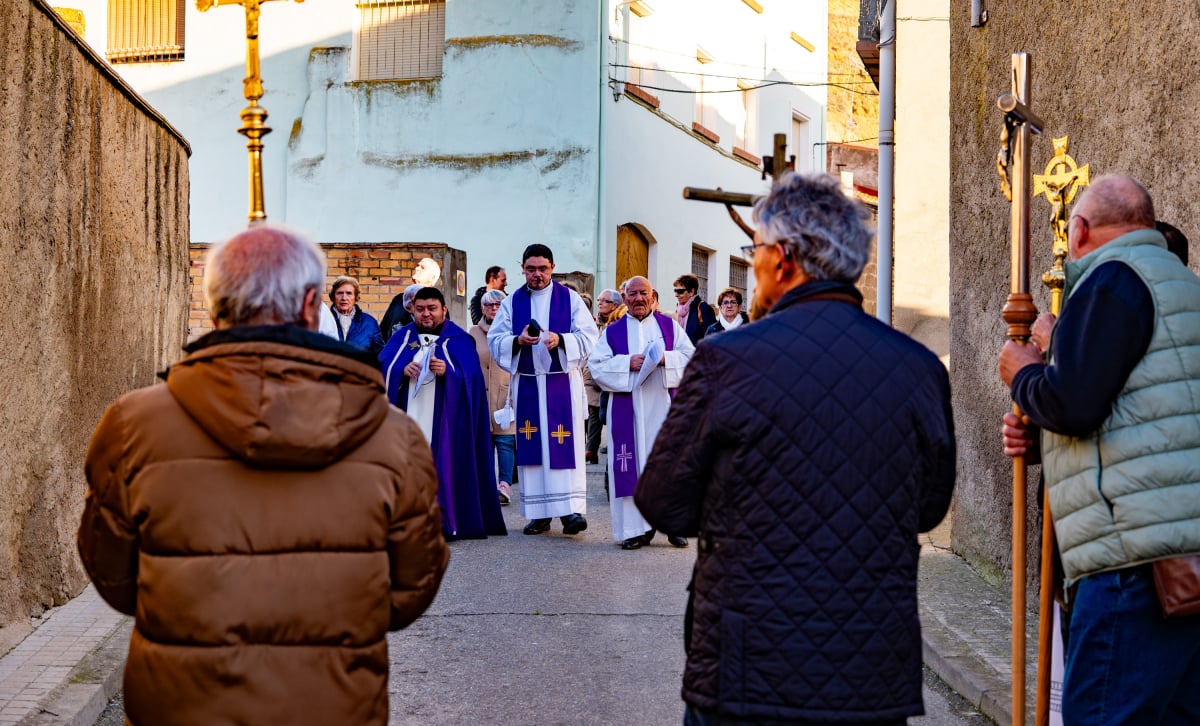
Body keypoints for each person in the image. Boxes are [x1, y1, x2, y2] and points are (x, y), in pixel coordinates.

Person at [77, 225, 449, 725]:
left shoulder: (133, 425)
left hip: (183, 704)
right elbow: (412, 587)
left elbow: (115, 578)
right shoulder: (393, 436)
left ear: (214, 308)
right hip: (331, 703)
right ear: (312, 306)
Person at [635, 172, 955, 724]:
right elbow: (927, 506)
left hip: (748, 662)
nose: (752, 264)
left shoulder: (725, 360)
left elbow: (664, 501)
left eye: (754, 250)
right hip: (869, 668)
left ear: (782, 259)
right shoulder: (918, 368)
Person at [999, 175, 1200, 725]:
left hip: (1131, 565)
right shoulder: (1183, 287)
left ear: (1080, 230)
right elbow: (1153, 412)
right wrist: (1039, 435)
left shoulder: (1113, 280)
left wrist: (1026, 376)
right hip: (1183, 562)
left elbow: (1077, 404)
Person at [486, 244, 599, 536]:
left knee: (565, 447)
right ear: (522, 268)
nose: (536, 274)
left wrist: (560, 340)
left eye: (542, 269)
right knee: (532, 448)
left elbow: (589, 337)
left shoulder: (570, 299)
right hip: (527, 384)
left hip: (561, 381)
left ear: (552, 268)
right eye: (531, 269)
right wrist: (517, 340)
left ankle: (571, 512)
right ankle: (539, 513)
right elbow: (496, 338)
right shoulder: (512, 302)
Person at [380, 287, 507, 541]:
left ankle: (442, 520)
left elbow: (471, 378)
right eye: (420, 309)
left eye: (431, 309)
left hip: (445, 421)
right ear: (412, 310)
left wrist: (449, 372)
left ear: (443, 310)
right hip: (408, 419)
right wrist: (401, 370)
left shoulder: (459, 340)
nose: (426, 314)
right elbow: (384, 364)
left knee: (443, 464)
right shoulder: (403, 337)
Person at [588, 277, 694, 549]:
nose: (637, 299)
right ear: (624, 299)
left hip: (664, 407)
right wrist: (627, 363)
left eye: (643, 293)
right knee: (631, 467)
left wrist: (665, 359)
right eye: (631, 294)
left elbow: (692, 358)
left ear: (652, 296)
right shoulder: (612, 332)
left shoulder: (669, 326)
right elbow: (596, 367)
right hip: (629, 412)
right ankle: (636, 530)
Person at [469, 289, 516, 504]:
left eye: (498, 305)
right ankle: (486, 485)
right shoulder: (473, 333)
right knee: (484, 441)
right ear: (482, 308)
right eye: (489, 305)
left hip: (505, 393)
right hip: (481, 393)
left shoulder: (513, 331)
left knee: (505, 441)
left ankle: (505, 485)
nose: (494, 309)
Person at [584, 289, 625, 464]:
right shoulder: (593, 323)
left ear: (615, 305)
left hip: (608, 375)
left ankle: (598, 449)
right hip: (591, 375)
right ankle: (590, 449)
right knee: (592, 412)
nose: (599, 303)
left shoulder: (617, 324)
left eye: (604, 301)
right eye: (599, 300)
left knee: (604, 414)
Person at [329, 275, 384, 354]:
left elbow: (380, 355)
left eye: (349, 293)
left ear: (356, 298)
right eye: (340, 293)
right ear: (333, 297)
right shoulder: (324, 319)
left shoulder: (370, 323)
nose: (344, 298)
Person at [672, 273, 716, 345]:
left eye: (680, 291)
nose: (676, 295)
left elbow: (713, 337)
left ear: (691, 292)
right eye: (675, 291)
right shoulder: (678, 310)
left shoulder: (703, 308)